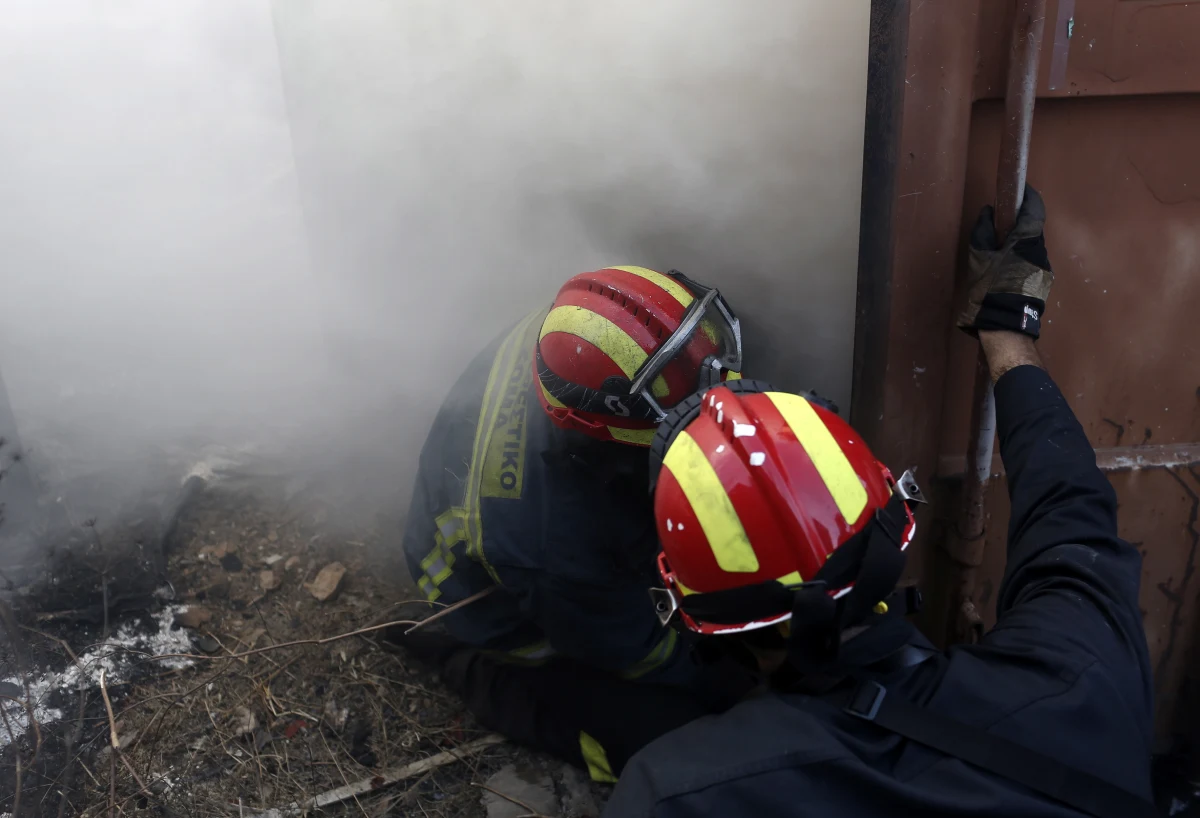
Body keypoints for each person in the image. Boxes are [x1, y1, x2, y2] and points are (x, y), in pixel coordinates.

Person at [606, 189, 1157, 817]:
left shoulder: (679, 794)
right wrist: (1008, 334)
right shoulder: (1082, 671)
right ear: (894, 529)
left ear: (706, 626)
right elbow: (1070, 510)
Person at [394, 266, 758, 782]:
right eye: (677, 398)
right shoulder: (559, 551)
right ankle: (470, 665)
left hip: (534, 506)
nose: (716, 384)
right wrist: (712, 674)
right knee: (666, 734)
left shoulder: (595, 332)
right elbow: (632, 650)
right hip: (493, 601)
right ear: (604, 430)